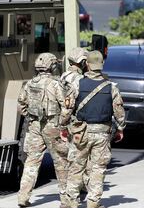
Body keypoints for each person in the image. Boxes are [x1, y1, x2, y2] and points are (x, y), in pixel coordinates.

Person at [62, 51, 125, 208]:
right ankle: (93, 203)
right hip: (102, 134)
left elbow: (67, 108)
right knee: (98, 169)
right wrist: (121, 128)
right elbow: (119, 112)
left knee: (76, 168)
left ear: (87, 64)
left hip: (80, 133)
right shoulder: (111, 87)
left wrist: (63, 126)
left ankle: (72, 203)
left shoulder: (77, 84)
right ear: (101, 65)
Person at [17, 53, 69, 208]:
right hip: (53, 126)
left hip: (34, 126)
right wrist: (63, 124)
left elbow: (21, 106)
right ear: (52, 66)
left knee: (31, 162)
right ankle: (66, 200)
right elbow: (66, 107)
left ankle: (23, 197)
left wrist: (31, 117)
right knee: (61, 162)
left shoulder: (29, 83)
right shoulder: (57, 84)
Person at [60, 47, 91, 193]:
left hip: (63, 120)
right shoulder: (80, 80)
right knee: (80, 156)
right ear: (82, 62)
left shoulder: (63, 76)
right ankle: (78, 187)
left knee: (67, 157)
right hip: (76, 122)